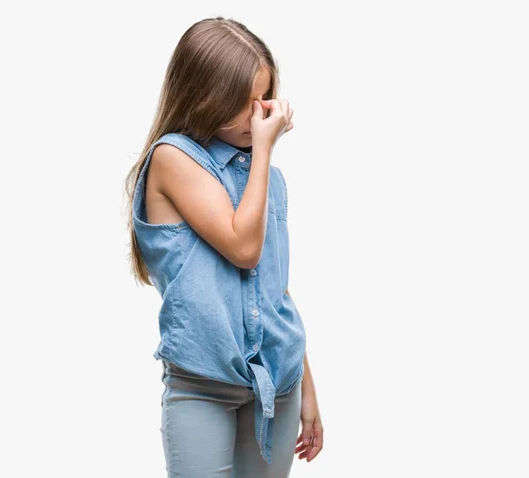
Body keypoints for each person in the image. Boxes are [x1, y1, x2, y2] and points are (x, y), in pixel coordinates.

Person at [125, 16, 323, 477]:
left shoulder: (266, 178)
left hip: (279, 380)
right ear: (204, 96)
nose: (258, 114)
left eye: (264, 99)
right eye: (244, 102)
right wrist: (265, 150)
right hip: (202, 386)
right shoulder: (172, 158)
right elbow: (243, 247)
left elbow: (274, 288)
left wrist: (308, 387)